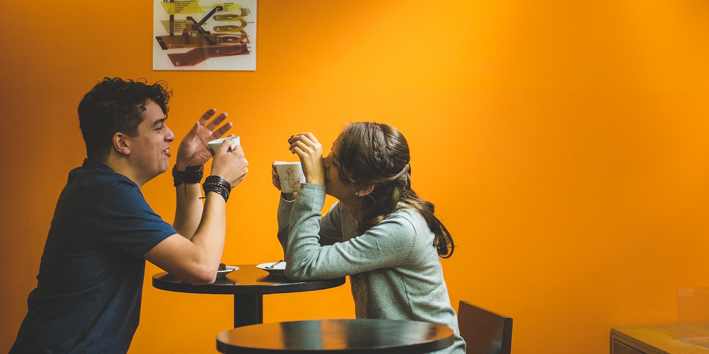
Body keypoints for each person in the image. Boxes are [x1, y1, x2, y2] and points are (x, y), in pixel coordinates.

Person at [10, 77, 249, 354]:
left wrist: (188, 170)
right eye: (159, 127)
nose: (171, 135)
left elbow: (183, 253)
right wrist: (220, 183)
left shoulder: (98, 185)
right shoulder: (108, 192)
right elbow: (202, 268)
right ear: (122, 143)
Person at [275, 122, 465, 354]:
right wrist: (291, 192)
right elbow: (297, 252)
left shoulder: (400, 229)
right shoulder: (351, 210)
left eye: (334, 162)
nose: (322, 163)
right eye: (331, 153)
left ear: (364, 187)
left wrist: (313, 187)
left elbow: (302, 265)